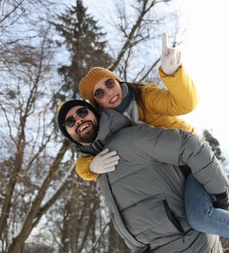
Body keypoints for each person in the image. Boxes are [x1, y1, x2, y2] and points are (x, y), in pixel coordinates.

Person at [56, 99, 229, 253]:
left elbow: (189, 145)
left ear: (95, 112)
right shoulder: (96, 169)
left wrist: (218, 193)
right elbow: (124, 216)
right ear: (68, 133)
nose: (78, 119)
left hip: (190, 242)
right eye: (70, 121)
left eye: (82, 112)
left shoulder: (130, 139)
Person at [75, 32, 198, 181]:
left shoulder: (144, 96)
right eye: (99, 93)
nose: (108, 92)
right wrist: (90, 166)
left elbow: (186, 104)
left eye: (109, 83)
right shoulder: (107, 128)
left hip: (193, 156)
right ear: (97, 105)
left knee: (201, 205)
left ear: (117, 82)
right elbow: (83, 157)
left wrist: (173, 74)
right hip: (170, 175)